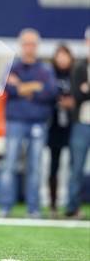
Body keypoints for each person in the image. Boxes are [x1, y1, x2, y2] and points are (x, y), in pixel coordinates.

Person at [0, 28, 57, 218]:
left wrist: (22, 86)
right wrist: (34, 87)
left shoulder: (45, 69)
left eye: (32, 43)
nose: (29, 47)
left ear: (37, 46)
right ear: (21, 45)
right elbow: (7, 88)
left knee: (35, 167)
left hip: (38, 122)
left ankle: (33, 208)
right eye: (26, 43)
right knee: (9, 165)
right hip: (15, 121)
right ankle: (6, 207)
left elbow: (50, 92)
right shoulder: (12, 67)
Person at [47, 44, 75, 218]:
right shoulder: (49, 74)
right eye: (59, 55)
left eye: (65, 55)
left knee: (74, 167)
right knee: (53, 166)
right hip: (54, 126)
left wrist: (72, 103)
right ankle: (53, 204)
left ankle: (72, 204)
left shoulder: (75, 73)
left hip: (72, 125)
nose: (62, 59)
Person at [65, 27, 90, 219]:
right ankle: (72, 207)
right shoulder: (80, 67)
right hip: (82, 123)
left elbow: (84, 91)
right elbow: (77, 94)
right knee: (77, 167)